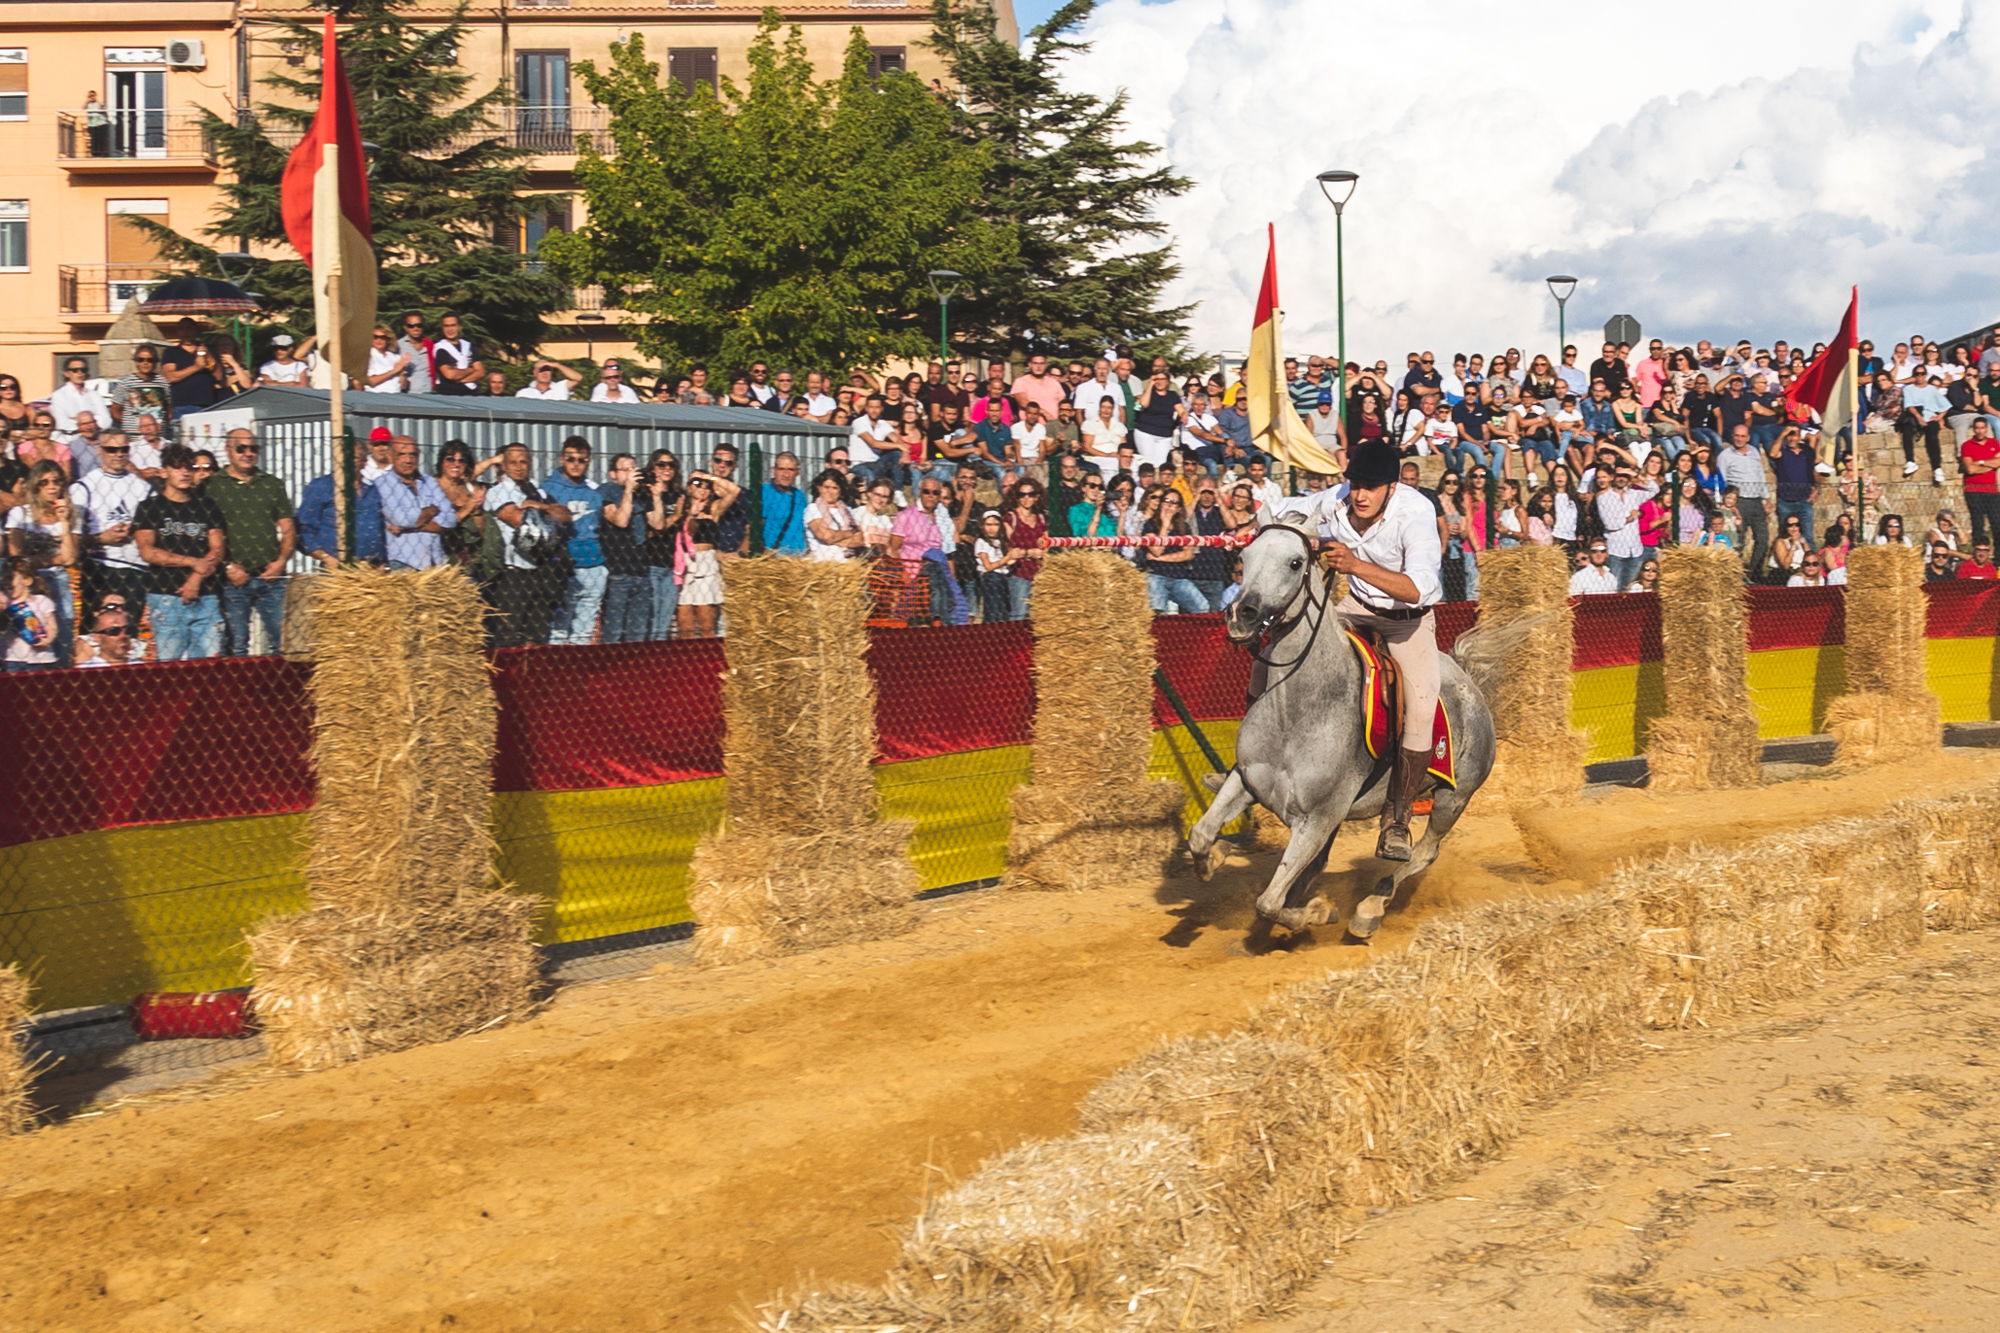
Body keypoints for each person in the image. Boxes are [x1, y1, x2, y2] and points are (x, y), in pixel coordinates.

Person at [203, 428, 297, 652]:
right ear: (227, 450)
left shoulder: (272, 484)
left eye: (253, 448)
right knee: (236, 646)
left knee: (284, 644)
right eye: (240, 448)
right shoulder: (211, 486)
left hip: (271, 579)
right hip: (231, 579)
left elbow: (288, 529)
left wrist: (281, 562)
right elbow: (203, 533)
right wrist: (227, 566)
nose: (248, 453)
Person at [132, 444, 225, 661]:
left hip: (206, 596)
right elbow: (148, 551)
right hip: (165, 596)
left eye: (189, 467)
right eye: (176, 467)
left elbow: (218, 549)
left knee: (208, 666)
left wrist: (196, 578)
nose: (184, 472)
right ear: (163, 472)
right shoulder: (149, 507)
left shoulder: (208, 506)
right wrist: (193, 562)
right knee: (169, 667)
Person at [485, 443, 572, 647]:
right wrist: (547, 511)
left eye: (523, 462)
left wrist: (538, 506)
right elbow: (516, 518)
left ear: (531, 463)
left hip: (541, 570)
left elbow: (566, 515)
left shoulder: (537, 491)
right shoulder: (497, 492)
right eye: (513, 462)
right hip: (512, 572)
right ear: (504, 465)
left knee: (537, 635)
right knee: (509, 634)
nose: (518, 467)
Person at [70, 429, 153, 613]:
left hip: (135, 565)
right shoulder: (83, 487)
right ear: (100, 450)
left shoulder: (144, 488)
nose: (119, 454)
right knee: (93, 624)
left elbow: (155, 527)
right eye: (112, 449)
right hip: (98, 564)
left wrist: (135, 529)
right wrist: (101, 538)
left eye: (124, 449)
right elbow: (70, 539)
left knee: (129, 626)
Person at [6, 461, 80, 665]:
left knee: (63, 633)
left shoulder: (71, 514)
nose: (52, 486)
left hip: (59, 578)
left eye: (57, 481)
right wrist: (55, 559)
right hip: (27, 581)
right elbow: (16, 558)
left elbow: (70, 558)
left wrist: (64, 522)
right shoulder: (21, 513)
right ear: (35, 485)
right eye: (44, 482)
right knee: (26, 636)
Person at [542, 437, 607, 643]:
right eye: (571, 459)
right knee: (558, 629)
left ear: (588, 461)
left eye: (582, 460)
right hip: (565, 567)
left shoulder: (594, 492)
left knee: (584, 632)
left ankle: (580, 663)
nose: (576, 464)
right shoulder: (548, 489)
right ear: (562, 459)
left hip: (594, 565)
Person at [373, 436, 455, 571]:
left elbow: (450, 519)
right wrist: (431, 511)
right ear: (390, 456)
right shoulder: (382, 484)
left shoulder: (429, 481)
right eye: (401, 454)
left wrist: (409, 528)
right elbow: (401, 519)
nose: (408, 460)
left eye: (413, 455)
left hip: (435, 563)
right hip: (403, 563)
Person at [594, 453, 653, 642]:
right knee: (613, 633)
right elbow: (620, 520)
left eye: (633, 468)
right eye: (625, 469)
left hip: (642, 571)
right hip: (618, 572)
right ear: (613, 474)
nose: (630, 473)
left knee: (638, 635)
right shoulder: (607, 491)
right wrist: (628, 490)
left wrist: (657, 494)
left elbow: (658, 524)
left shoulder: (642, 494)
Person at [675, 470, 736, 637]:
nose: (702, 489)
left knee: (707, 626)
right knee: (685, 627)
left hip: (706, 564)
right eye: (697, 484)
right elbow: (687, 531)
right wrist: (692, 514)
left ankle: (708, 652)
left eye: (706, 486)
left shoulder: (713, 509)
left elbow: (734, 491)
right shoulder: (681, 506)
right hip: (684, 565)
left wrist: (710, 477)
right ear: (689, 487)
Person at [997, 477, 1044, 622]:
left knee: (1039, 615)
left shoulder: (1041, 518)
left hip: (1040, 572)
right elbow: (1009, 549)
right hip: (1020, 573)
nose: (1026, 498)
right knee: (1019, 614)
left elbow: (1046, 544)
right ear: (1016, 497)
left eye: (1031, 494)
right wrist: (1029, 553)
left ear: (1037, 496)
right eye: (1022, 494)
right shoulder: (1011, 518)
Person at [4, 557, 60, 672]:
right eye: (4, 578)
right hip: (13, 658)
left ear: (27, 580)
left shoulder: (42, 601)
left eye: (10, 577)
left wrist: (47, 640)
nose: (6, 582)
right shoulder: (6, 603)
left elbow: (52, 627)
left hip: (42, 658)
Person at [1899, 365, 1951, 483]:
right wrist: (1919, 417)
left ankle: (1937, 468)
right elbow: (1909, 406)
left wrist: (1939, 417)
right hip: (1914, 417)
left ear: (1925, 375)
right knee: (1907, 432)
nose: (1920, 376)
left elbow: (1945, 406)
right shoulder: (1908, 389)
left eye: (1922, 373)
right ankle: (1910, 461)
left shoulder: (1932, 389)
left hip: (1930, 416)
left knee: (1932, 437)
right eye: (1917, 374)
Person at [803, 468, 862, 562]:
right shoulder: (813, 509)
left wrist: (834, 537)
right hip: (822, 564)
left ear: (840, 490)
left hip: (847, 564)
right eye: (826, 487)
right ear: (819, 488)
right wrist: (849, 534)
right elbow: (826, 536)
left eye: (835, 488)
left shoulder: (848, 511)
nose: (830, 491)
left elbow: (860, 540)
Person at [49, 357, 112, 438]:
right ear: (67, 373)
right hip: (70, 439)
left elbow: (107, 421)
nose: (80, 373)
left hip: (95, 439)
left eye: (83, 370)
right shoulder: (59, 395)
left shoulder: (95, 395)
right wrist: (93, 421)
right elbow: (61, 423)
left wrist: (76, 420)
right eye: (75, 370)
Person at [760, 451, 808, 554]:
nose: (786, 474)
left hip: (799, 553)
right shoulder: (765, 491)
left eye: (791, 470)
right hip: (773, 553)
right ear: (773, 470)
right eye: (781, 469)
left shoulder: (800, 495)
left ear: (797, 472)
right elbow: (758, 523)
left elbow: (804, 526)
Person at [849, 393, 900, 486]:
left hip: (876, 463)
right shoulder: (859, 422)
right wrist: (900, 446)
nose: (874, 410)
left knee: (896, 454)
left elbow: (897, 439)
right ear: (866, 408)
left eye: (877, 407)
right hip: (859, 464)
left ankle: (898, 490)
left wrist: (904, 451)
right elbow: (873, 443)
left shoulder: (883, 424)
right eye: (871, 407)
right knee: (869, 475)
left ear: (881, 409)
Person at [72, 596, 137, 668]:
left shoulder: (140, 666)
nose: (123, 635)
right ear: (97, 637)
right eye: (114, 631)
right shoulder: (87, 671)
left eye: (127, 630)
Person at [428, 314, 484, 396]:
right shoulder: (441, 349)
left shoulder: (468, 346)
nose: (450, 329)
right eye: (446, 326)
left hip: (472, 394)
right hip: (450, 395)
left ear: (460, 327)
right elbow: (450, 375)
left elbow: (480, 372)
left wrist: (461, 380)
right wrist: (471, 370)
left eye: (453, 325)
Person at [394, 312, 434, 394]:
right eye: (411, 326)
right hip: (408, 394)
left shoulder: (430, 345)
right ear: (405, 327)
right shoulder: (398, 346)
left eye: (419, 325)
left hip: (428, 393)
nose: (416, 328)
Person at [363, 325, 411, 393]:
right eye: (375, 337)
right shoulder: (367, 357)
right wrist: (394, 371)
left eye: (382, 337)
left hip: (396, 396)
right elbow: (370, 382)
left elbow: (404, 387)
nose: (379, 340)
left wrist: (401, 373)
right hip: (376, 396)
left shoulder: (395, 357)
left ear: (388, 339)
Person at [516, 359, 582, 401]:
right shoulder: (523, 393)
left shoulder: (561, 387)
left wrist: (557, 365)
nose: (545, 373)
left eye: (547, 370)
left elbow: (578, 378)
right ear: (534, 373)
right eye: (541, 370)